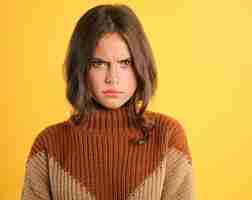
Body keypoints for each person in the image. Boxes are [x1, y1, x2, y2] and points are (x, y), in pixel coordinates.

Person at [21, 4, 196, 200]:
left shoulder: (168, 137)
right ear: (81, 69)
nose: (112, 78)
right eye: (99, 63)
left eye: (125, 63)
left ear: (141, 66)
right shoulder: (48, 145)